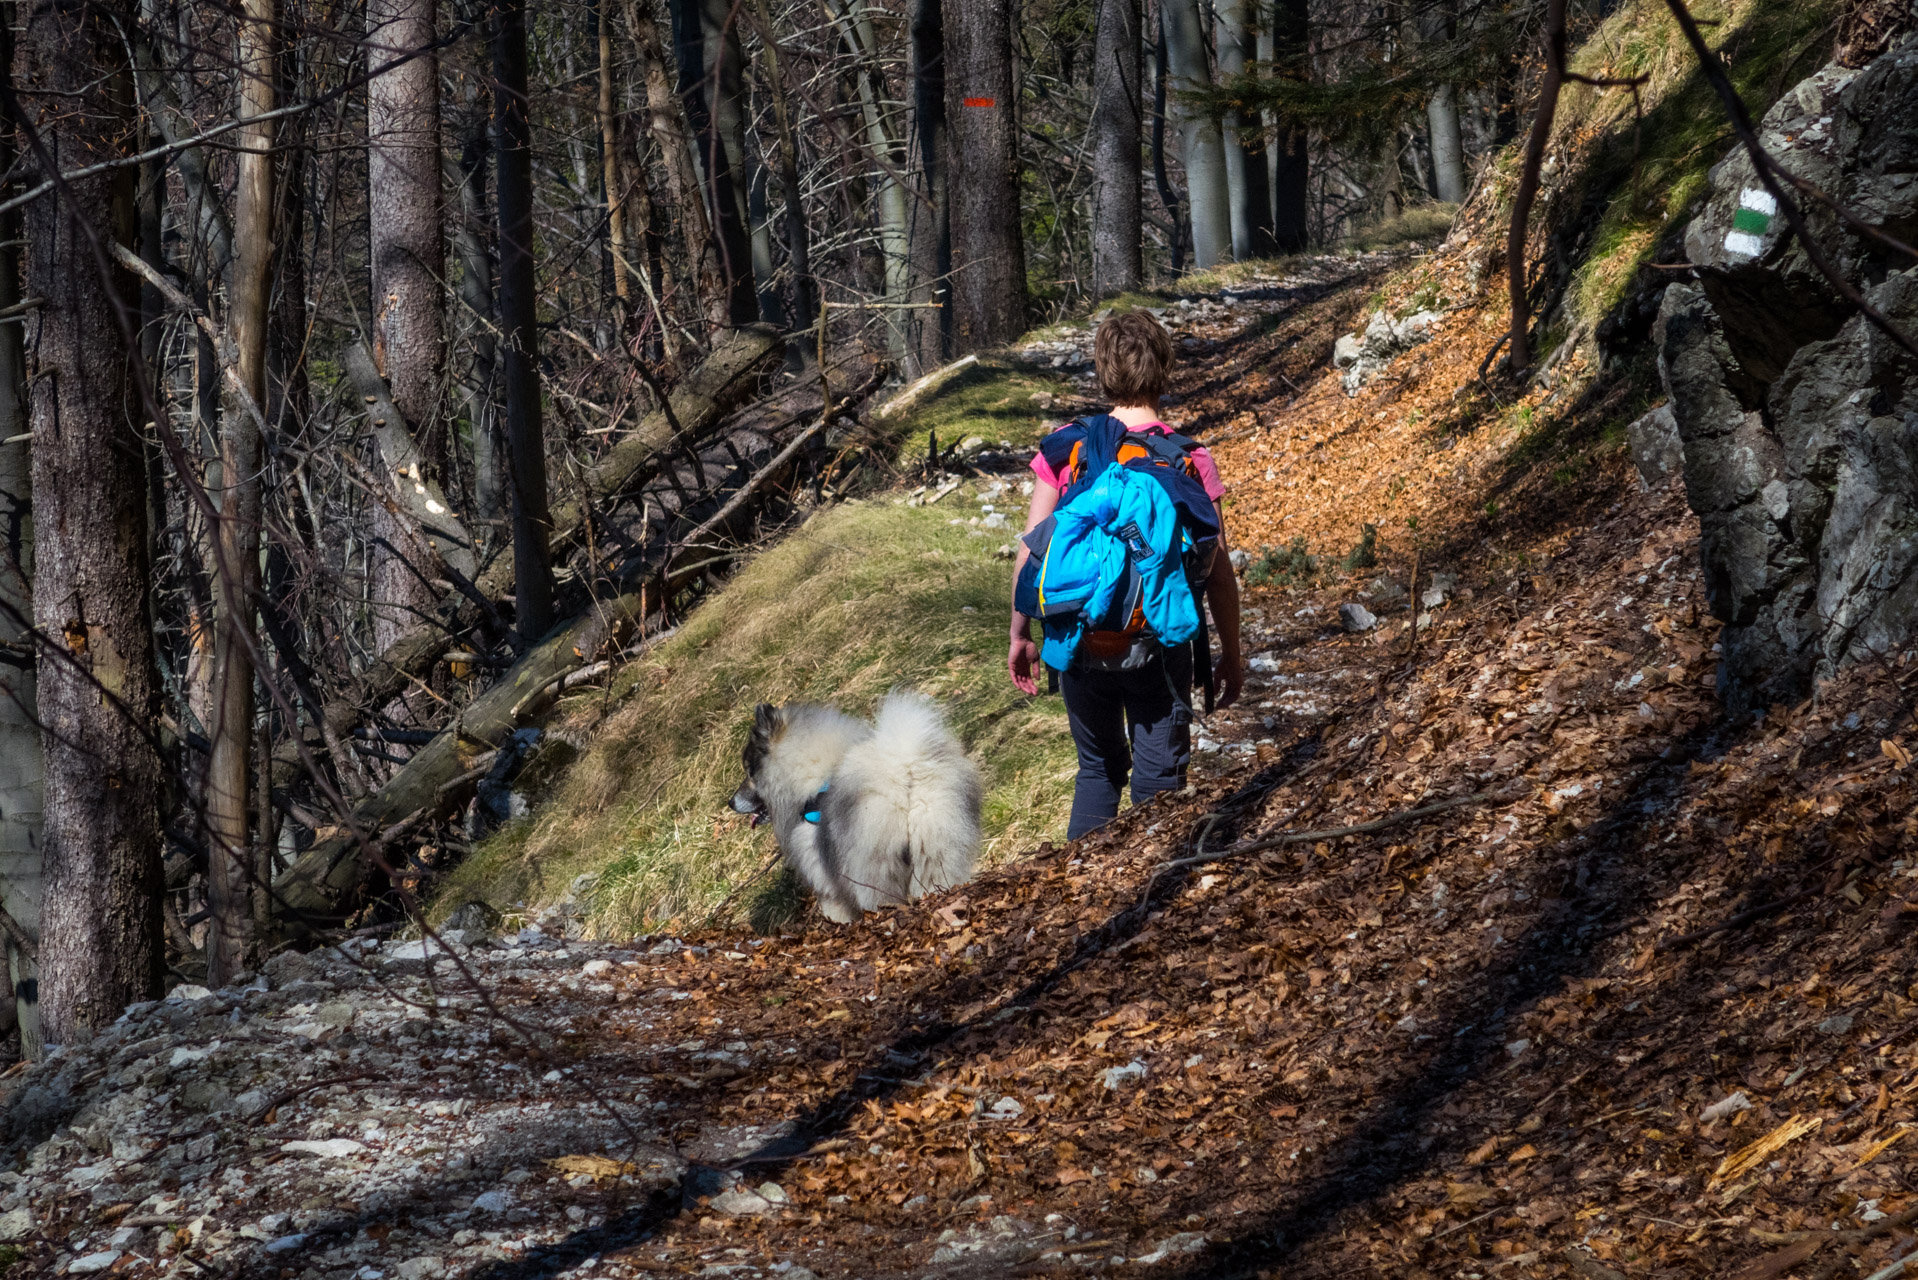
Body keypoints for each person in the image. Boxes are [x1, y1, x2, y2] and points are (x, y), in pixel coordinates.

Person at [1007, 311, 1244, 840]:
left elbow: (1034, 551)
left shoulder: (1066, 449)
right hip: (1160, 641)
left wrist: (1021, 633)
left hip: (1077, 635)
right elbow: (1219, 572)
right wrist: (1231, 651)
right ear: (1164, 370)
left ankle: (1083, 898)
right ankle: (1152, 893)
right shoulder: (1188, 458)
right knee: (1158, 775)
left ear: (1103, 372)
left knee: (1097, 770)